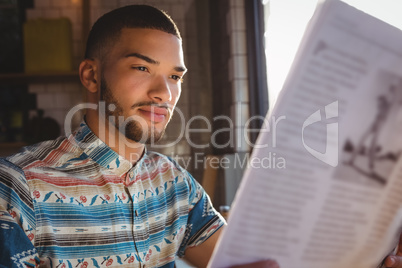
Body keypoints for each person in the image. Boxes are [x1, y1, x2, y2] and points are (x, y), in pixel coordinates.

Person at [0, 5, 279, 268]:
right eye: (143, 68)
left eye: (174, 77)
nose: (164, 93)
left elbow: (235, 260)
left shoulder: (174, 183)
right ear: (92, 75)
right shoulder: (17, 186)